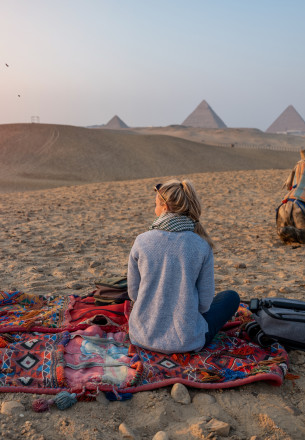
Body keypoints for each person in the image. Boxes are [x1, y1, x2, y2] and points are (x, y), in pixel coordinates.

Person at [127, 179, 240, 354]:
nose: (154, 209)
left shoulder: (142, 240)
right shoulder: (201, 245)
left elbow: (133, 294)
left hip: (142, 336)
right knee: (231, 297)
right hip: (186, 341)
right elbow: (204, 304)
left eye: (155, 204)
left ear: (165, 207)